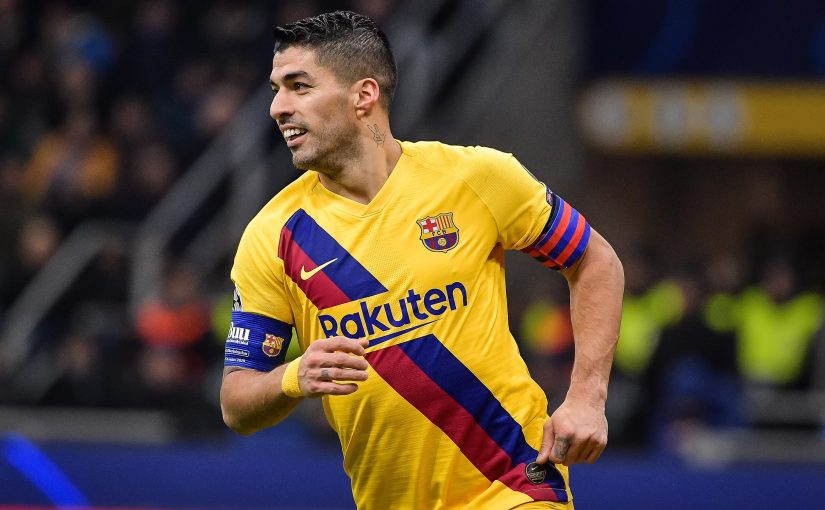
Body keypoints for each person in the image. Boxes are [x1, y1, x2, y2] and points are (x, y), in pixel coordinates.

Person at [219, 11, 624, 510]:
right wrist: (292, 376)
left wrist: (587, 397)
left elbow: (595, 261)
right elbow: (236, 403)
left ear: (364, 95)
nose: (277, 107)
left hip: (512, 482)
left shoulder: (475, 177)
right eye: (276, 90)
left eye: (298, 87)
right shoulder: (272, 236)